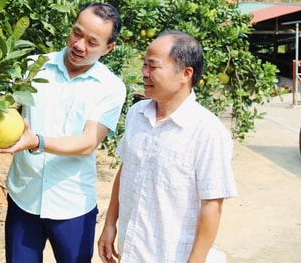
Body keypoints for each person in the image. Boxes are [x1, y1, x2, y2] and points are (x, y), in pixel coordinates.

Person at [0, 2, 127, 262]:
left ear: (108, 48)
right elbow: (3, 105)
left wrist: (36, 142)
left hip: (72, 205)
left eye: (92, 42)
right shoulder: (35, 65)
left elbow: (88, 142)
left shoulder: (111, 87)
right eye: (77, 33)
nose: (79, 45)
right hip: (24, 197)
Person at [97, 30, 238, 263]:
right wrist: (110, 224)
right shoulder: (137, 114)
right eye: (144, 65)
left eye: (153, 66)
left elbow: (211, 205)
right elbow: (127, 169)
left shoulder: (207, 131)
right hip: (131, 250)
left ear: (185, 73)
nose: (144, 73)